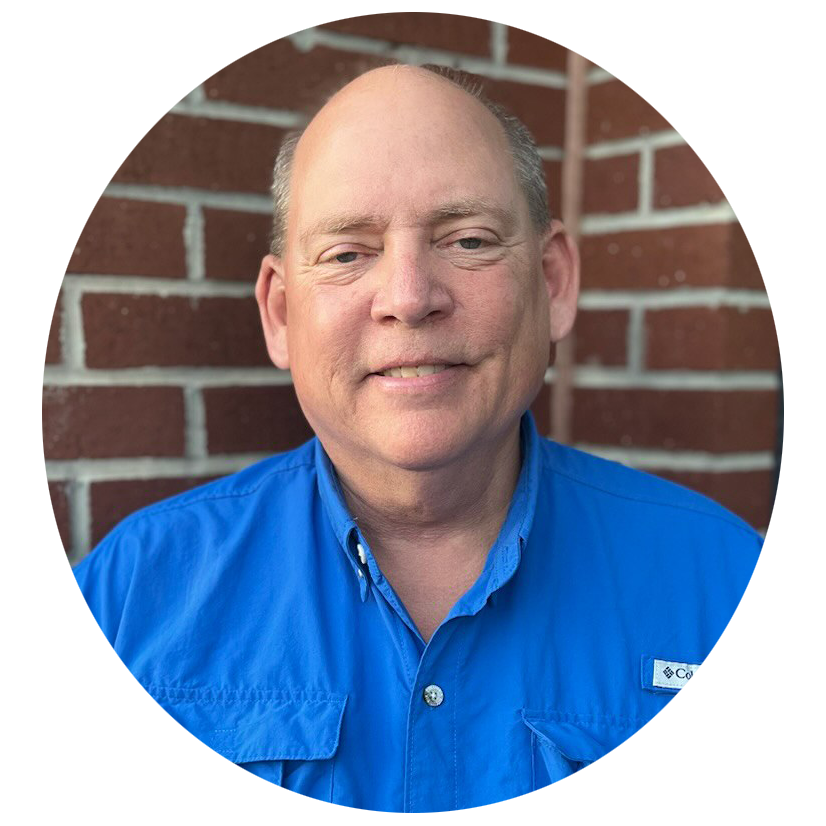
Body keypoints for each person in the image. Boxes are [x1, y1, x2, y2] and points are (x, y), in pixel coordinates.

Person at [71, 63, 768, 820]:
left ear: (554, 282)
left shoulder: (737, 590)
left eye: (466, 239)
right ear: (279, 313)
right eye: (347, 253)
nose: (408, 297)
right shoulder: (128, 598)